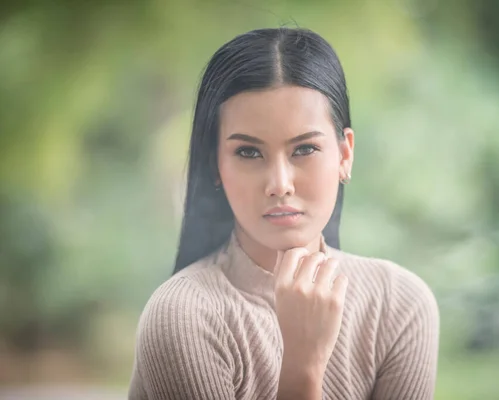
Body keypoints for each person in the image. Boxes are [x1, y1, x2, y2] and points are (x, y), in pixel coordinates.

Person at [128, 27, 439, 400]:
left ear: (344, 155)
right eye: (248, 152)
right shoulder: (183, 316)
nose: (279, 184)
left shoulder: (398, 305)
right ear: (215, 165)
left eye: (304, 149)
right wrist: (303, 366)